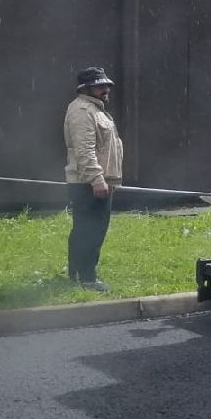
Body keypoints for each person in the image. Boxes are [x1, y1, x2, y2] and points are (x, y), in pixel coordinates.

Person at [64, 66, 124, 292]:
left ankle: (76, 275)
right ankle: (88, 279)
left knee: (85, 229)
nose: (106, 88)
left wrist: (110, 180)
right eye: (100, 85)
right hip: (88, 184)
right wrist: (97, 180)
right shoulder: (82, 111)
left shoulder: (94, 109)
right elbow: (84, 150)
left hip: (97, 181)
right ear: (86, 88)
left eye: (107, 84)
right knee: (91, 230)